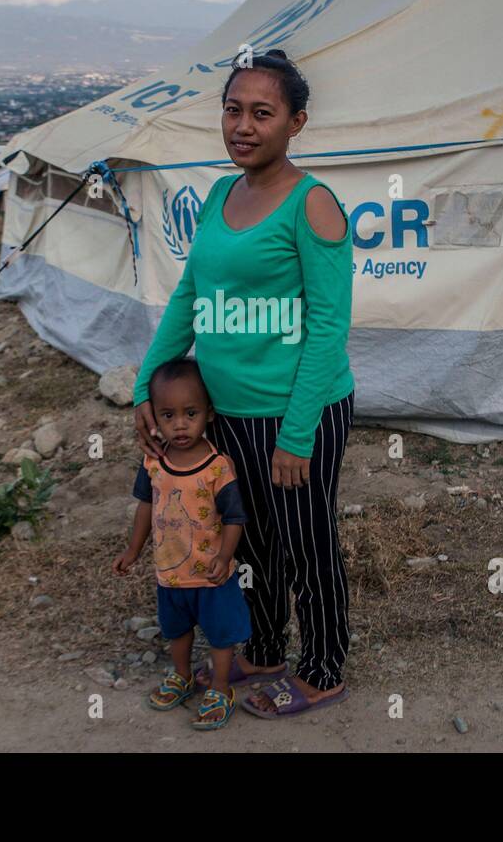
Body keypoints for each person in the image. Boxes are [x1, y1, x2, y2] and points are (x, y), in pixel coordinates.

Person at [132, 48, 356, 719]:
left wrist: (297, 433)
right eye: (233, 110)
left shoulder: (313, 205)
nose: (243, 126)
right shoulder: (221, 194)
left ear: (296, 123)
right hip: (224, 412)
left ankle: (321, 670)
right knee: (250, 541)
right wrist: (147, 383)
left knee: (306, 544)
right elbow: (190, 297)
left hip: (294, 414)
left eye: (263, 113)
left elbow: (327, 327)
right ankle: (261, 647)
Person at [113, 358, 251, 731]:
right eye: (168, 415)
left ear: (208, 412)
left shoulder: (217, 466)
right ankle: (182, 675)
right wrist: (133, 550)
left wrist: (225, 556)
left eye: (190, 413)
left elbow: (236, 518)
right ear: (153, 418)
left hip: (210, 573)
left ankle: (221, 688)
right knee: (176, 630)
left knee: (221, 636)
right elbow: (146, 507)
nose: (180, 424)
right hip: (170, 574)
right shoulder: (154, 462)